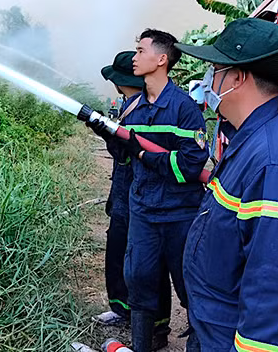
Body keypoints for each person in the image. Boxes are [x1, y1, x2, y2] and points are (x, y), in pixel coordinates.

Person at [175, 18, 278, 351]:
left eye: (214, 70)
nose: (207, 81)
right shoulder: (255, 137)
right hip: (218, 331)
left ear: (237, 77)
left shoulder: (276, 160)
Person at [91, 29, 209, 352]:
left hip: (180, 214)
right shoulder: (132, 110)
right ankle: (144, 345)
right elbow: (123, 157)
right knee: (140, 281)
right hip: (142, 212)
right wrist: (108, 134)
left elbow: (190, 164)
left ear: (161, 60)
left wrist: (146, 154)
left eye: (140, 51)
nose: (135, 57)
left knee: (189, 287)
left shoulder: (185, 109)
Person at [87, 51, 173, 350]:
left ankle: (144, 322)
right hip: (130, 194)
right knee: (135, 260)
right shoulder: (133, 105)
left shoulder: (141, 109)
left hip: (135, 196)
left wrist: (111, 138)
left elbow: (130, 153)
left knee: (135, 261)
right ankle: (142, 319)